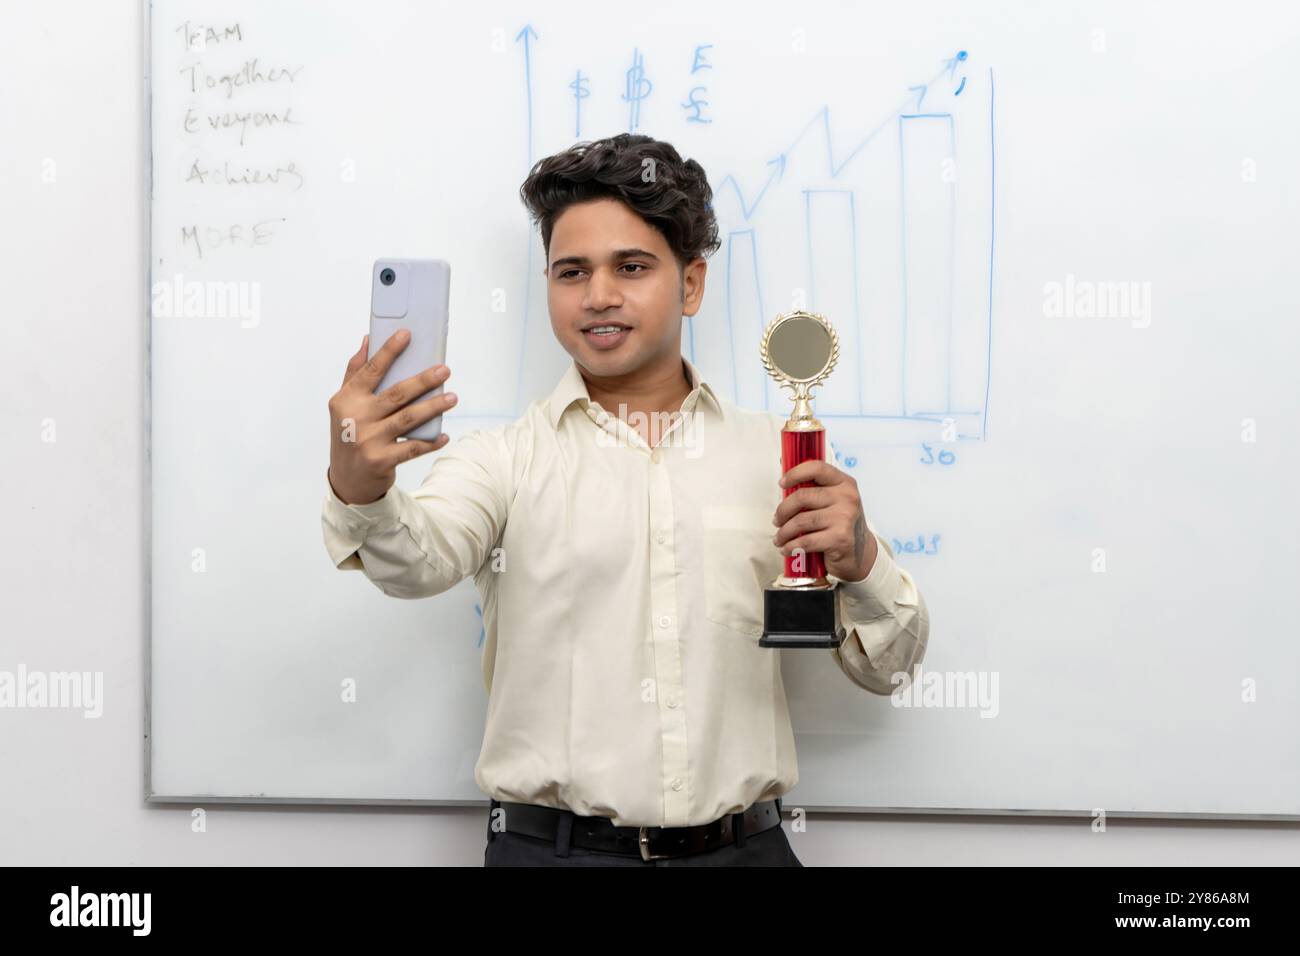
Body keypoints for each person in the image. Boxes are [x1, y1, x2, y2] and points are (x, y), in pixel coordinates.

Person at [322, 133, 930, 866]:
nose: (598, 295)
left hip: (746, 853)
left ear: (691, 285)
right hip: (553, 855)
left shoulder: (781, 457)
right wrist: (361, 482)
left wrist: (860, 560)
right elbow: (415, 563)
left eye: (632, 267)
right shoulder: (502, 460)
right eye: (571, 271)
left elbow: (889, 669)